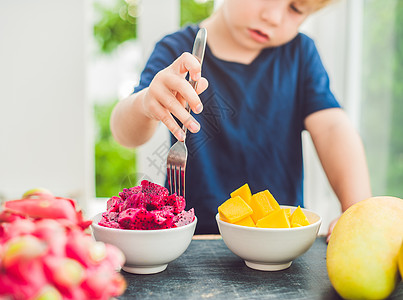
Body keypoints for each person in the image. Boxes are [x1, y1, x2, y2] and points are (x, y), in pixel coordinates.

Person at [110, 0, 372, 239]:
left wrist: (358, 209)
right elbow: (127, 134)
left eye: (295, 9)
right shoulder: (176, 50)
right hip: (192, 241)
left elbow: (332, 129)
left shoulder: (301, 55)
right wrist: (145, 103)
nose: (273, 16)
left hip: (278, 238)